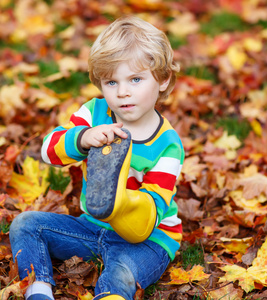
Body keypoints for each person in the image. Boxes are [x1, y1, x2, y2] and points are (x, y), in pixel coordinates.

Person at [9, 15, 184, 300]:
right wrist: (82, 138)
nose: (123, 92)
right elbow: (48, 150)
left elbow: (150, 213)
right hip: (92, 227)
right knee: (26, 224)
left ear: (163, 80)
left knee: (121, 272)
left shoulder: (167, 144)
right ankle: (39, 290)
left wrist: (120, 203)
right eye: (111, 82)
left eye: (136, 79)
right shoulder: (94, 114)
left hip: (147, 241)